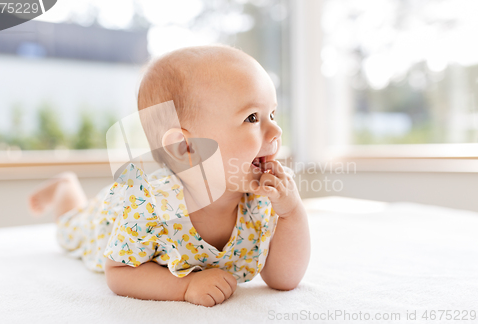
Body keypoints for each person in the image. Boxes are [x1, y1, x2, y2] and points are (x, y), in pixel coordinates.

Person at [28, 44, 310, 307]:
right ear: (186, 148)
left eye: (272, 114)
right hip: (106, 218)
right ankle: (65, 187)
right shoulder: (147, 206)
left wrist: (291, 213)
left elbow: (282, 279)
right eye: (252, 118)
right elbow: (119, 272)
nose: (276, 131)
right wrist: (186, 287)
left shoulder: (261, 201)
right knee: (71, 226)